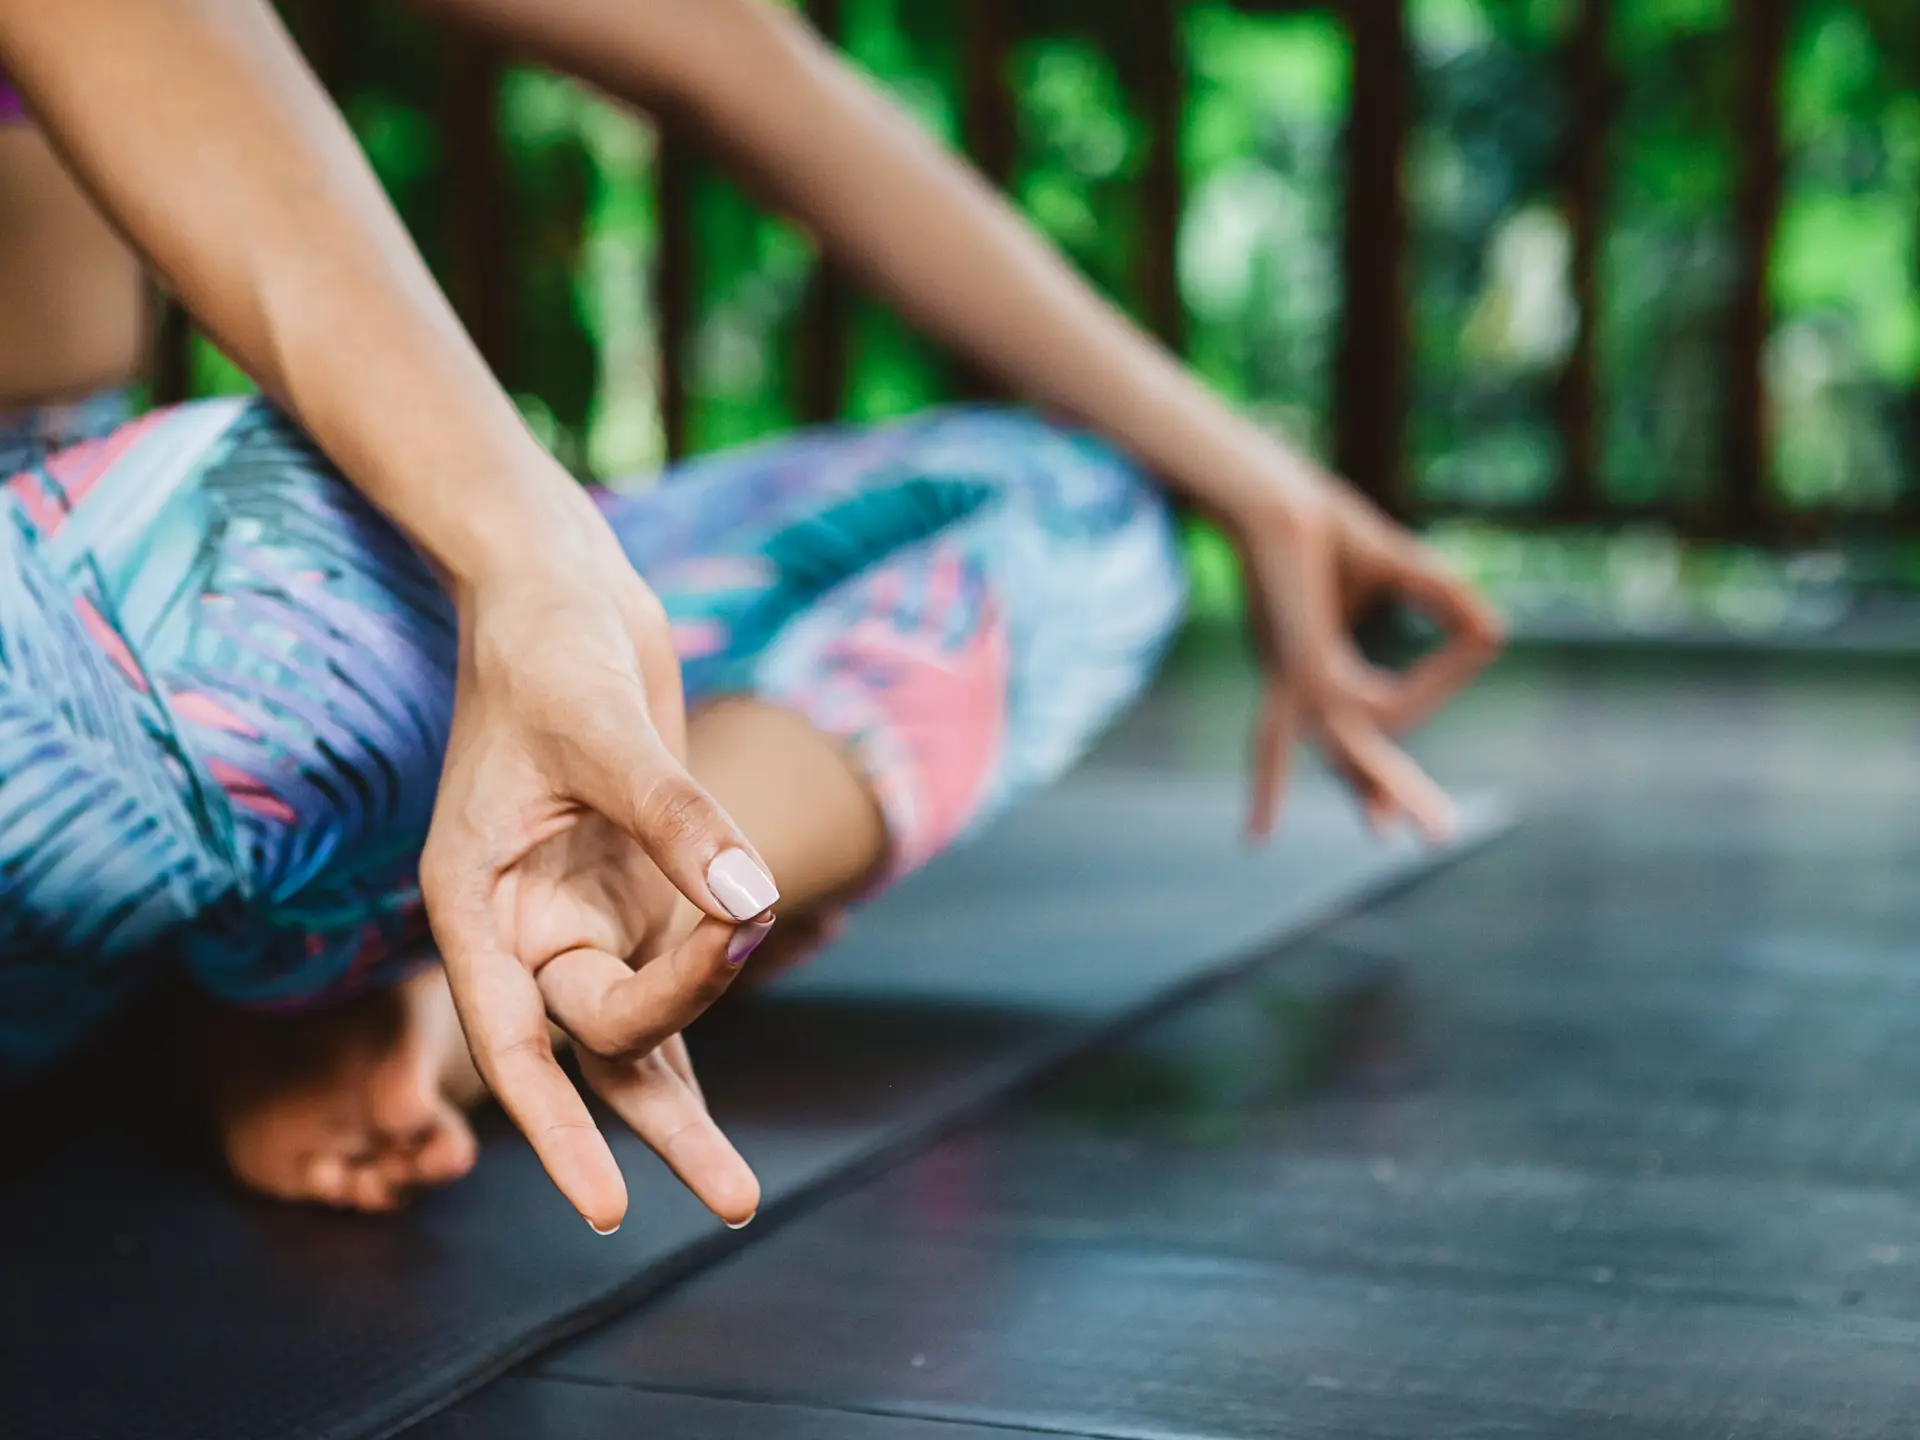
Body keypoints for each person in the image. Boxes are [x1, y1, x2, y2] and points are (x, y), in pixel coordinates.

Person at [0, 0, 1502, 1229]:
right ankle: (402, 944)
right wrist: (524, 561)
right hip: (103, 662)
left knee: (1077, 510)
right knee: (277, 565)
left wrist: (1258, 488)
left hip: (156, 704)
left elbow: (732, 53)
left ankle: (499, 983)